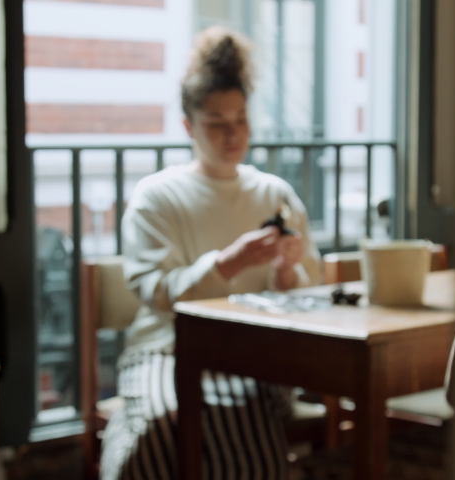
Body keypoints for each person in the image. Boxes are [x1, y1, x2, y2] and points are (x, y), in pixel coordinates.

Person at [100, 26, 322, 480]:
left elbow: (308, 293)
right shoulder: (156, 197)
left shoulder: (274, 194)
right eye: (216, 123)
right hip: (165, 348)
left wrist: (287, 270)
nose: (232, 133)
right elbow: (158, 293)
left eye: (240, 119)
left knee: (238, 426)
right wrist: (229, 263)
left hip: (253, 353)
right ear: (189, 126)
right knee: (163, 427)